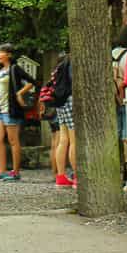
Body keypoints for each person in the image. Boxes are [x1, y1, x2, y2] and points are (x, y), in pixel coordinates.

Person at [0, 43, 36, 181]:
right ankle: (2, 170)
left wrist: (19, 93)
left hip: (12, 110)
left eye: (2, 52)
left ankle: (16, 172)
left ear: (9, 55)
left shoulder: (15, 68)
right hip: (1, 110)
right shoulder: (1, 70)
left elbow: (31, 82)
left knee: (13, 140)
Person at [53, 54, 76, 188]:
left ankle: (61, 176)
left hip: (60, 102)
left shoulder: (61, 63)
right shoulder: (72, 62)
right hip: (70, 100)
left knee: (63, 140)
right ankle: (76, 176)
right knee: (74, 141)